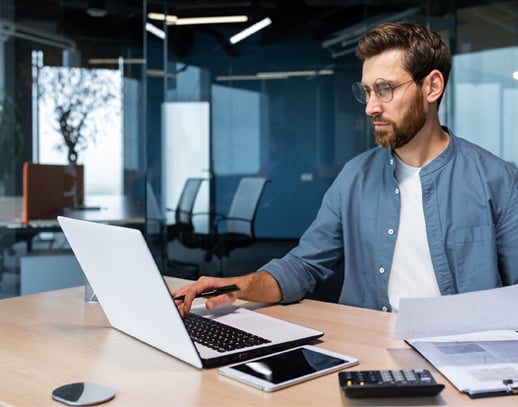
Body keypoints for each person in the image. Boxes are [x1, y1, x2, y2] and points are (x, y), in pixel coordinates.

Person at [172, 21, 518, 316]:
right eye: (367, 91)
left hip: (462, 355)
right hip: (368, 346)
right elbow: (304, 266)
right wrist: (238, 285)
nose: (370, 107)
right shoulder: (354, 177)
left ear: (432, 86)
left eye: (385, 90)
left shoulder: (497, 180)